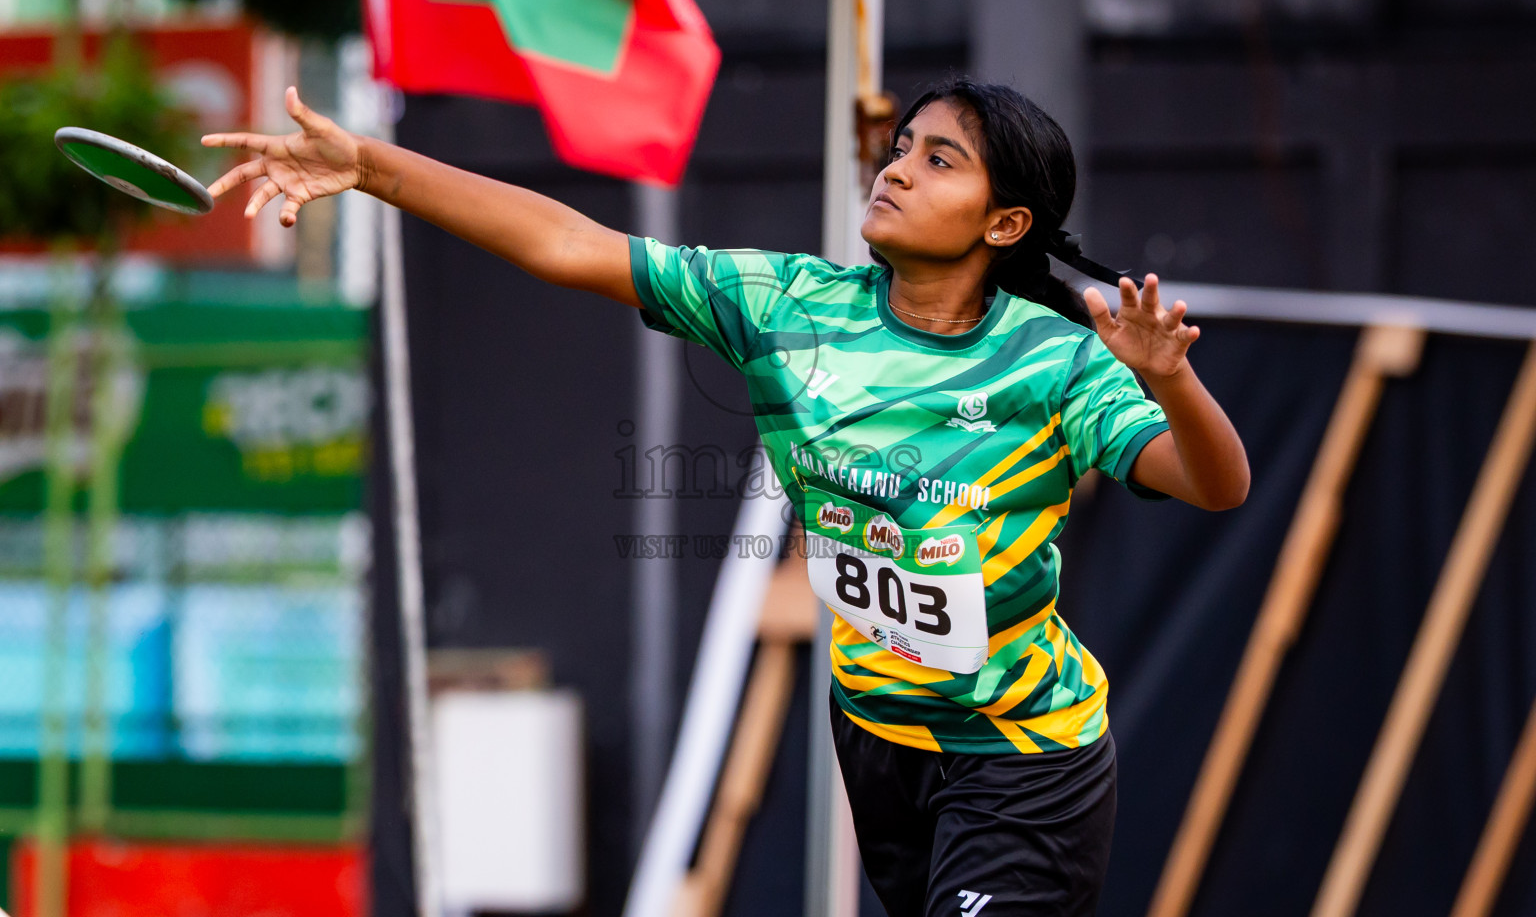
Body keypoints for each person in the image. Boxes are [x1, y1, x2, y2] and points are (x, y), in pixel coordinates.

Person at [203, 78, 1248, 917]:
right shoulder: (788, 304)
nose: (898, 169)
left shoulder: (1054, 360)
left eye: (941, 159)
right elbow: (567, 246)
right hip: (879, 739)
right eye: (902, 147)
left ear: (1008, 220)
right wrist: (371, 166)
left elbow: (1216, 483)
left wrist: (1170, 379)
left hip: (1025, 757)